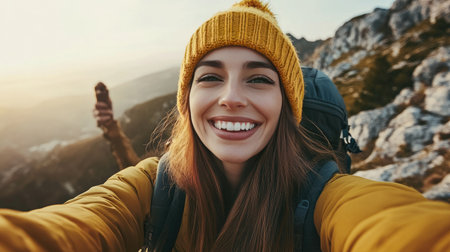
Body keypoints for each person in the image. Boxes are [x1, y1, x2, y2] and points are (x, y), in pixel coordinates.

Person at [0, 0, 449, 251]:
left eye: (258, 79)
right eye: (210, 76)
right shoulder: (150, 189)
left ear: (286, 105)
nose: (231, 96)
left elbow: (398, 226)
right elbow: (72, 227)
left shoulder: (326, 198)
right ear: (187, 101)